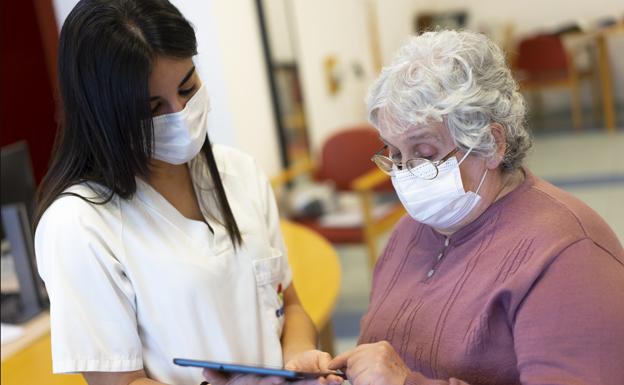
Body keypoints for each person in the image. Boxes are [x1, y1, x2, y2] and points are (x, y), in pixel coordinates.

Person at [33, 1, 342, 385]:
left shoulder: (238, 173)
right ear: (105, 113)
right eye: (152, 107)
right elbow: (120, 382)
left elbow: (288, 305)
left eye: (187, 87)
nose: (180, 113)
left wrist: (298, 358)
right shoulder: (79, 225)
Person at [328, 30, 624, 385]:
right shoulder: (410, 232)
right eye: (394, 154)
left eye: (425, 154)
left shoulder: (568, 254)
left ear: (490, 143)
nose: (407, 174)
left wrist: (407, 383)